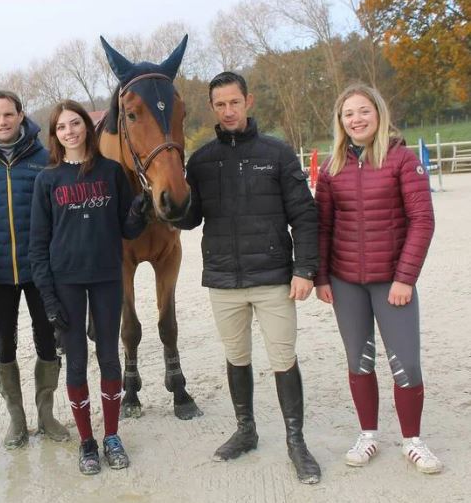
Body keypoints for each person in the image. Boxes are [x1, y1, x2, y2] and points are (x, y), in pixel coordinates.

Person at [175, 71, 321, 484]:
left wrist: (305, 269)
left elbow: (304, 215)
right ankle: (246, 430)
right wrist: (162, 201)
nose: (228, 111)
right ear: (213, 108)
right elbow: (190, 219)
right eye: (220, 105)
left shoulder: (277, 153)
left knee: (282, 358)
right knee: (236, 356)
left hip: (274, 278)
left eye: (233, 102)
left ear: (248, 101)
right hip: (223, 280)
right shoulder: (201, 161)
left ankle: (296, 441)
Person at [315, 84, 441, 473]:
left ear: (378, 113)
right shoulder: (332, 168)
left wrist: (405, 278)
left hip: (392, 282)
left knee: (406, 363)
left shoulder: (402, 160)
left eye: (363, 111)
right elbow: (322, 227)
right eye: (349, 113)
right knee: (360, 360)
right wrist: (321, 277)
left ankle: (412, 440)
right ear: (341, 121)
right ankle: (368, 434)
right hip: (345, 281)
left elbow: (422, 221)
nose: (356, 119)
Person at [29, 100, 148, 475]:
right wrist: (49, 299)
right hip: (66, 282)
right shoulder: (47, 180)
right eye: (62, 127)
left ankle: (111, 435)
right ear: (55, 135)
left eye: (75, 123)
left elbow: (128, 230)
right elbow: (37, 245)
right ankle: (87, 441)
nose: (70, 131)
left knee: (109, 357)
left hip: (107, 279)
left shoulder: (111, 173)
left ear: (86, 128)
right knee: (76, 362)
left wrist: (139, 211)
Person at [0, 90, 70, 449]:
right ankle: (17, 418)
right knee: (4, 342)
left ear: (20, 115)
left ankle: (46, 414)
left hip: (39, 270)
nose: (2, 122)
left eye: (8, 115)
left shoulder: (43, 158)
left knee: (46, 338)